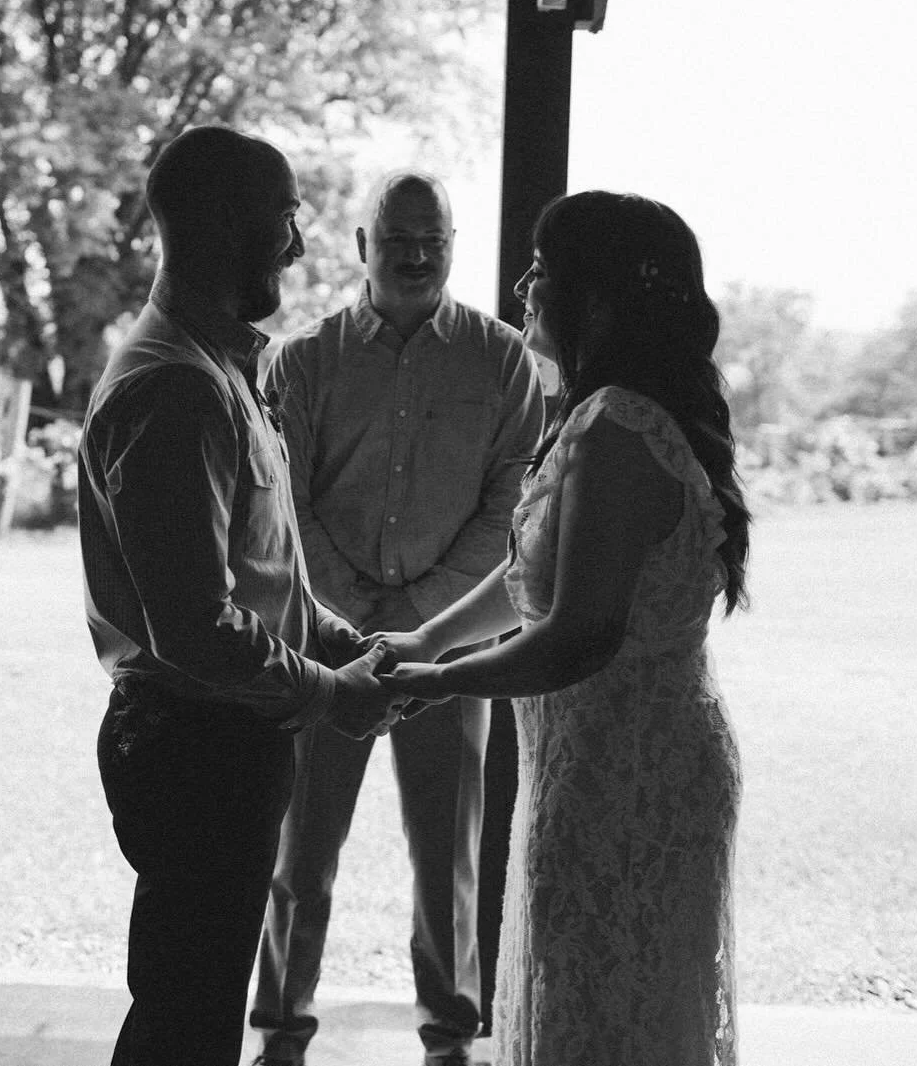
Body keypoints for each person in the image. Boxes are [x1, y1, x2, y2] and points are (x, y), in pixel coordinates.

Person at [374, 191, 752, 1066]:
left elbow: (578, 634)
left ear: (597, 301)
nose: (521, 286)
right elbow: (533, 585)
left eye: (541, 272)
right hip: (600, 761)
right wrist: (430, 641)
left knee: (604, 1014)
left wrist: (437, 684)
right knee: (594, 1004)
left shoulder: (617, 427)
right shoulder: (609, 415)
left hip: (627, 775)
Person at [78, 124, 403, 1066]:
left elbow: (263, 580)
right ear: (226, 223)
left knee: (200, 1009)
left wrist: (345, 646)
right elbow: (193, 625)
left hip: (221, 742)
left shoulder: (225, 368)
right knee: (185, 1024)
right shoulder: (175, 388)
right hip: (193, 750)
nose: (300, 244)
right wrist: (331, 692)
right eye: (285, 218)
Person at [250, 172, 545, 1066]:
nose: (417, 255)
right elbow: (283, 504)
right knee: (299, 855)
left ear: (454, 243)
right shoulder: (301, 361)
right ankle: (281, 1032)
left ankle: (450, 1036)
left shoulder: (503, 361)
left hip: (451, 654)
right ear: (361, 244)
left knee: (449, 857)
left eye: (435, 239)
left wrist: (424, 622)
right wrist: (349, 621)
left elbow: (513, 506)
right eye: (399, 237)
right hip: (321, 652)